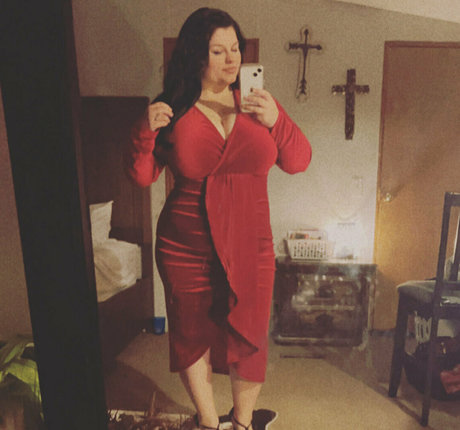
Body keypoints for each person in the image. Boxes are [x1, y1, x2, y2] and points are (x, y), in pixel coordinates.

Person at [126, 7, 311, 430]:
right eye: (218, 51)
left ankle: (243, 423)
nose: (232, 60)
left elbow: (299, 160)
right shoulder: (173, 107)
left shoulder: (259, 104)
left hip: (251, 244)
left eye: (235, 49)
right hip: (185, 245)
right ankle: (209, 424)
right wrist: (142, 132)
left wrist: (277, 120)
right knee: (191, 336)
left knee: (250, 335)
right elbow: (142, 175)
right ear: (196, 55)